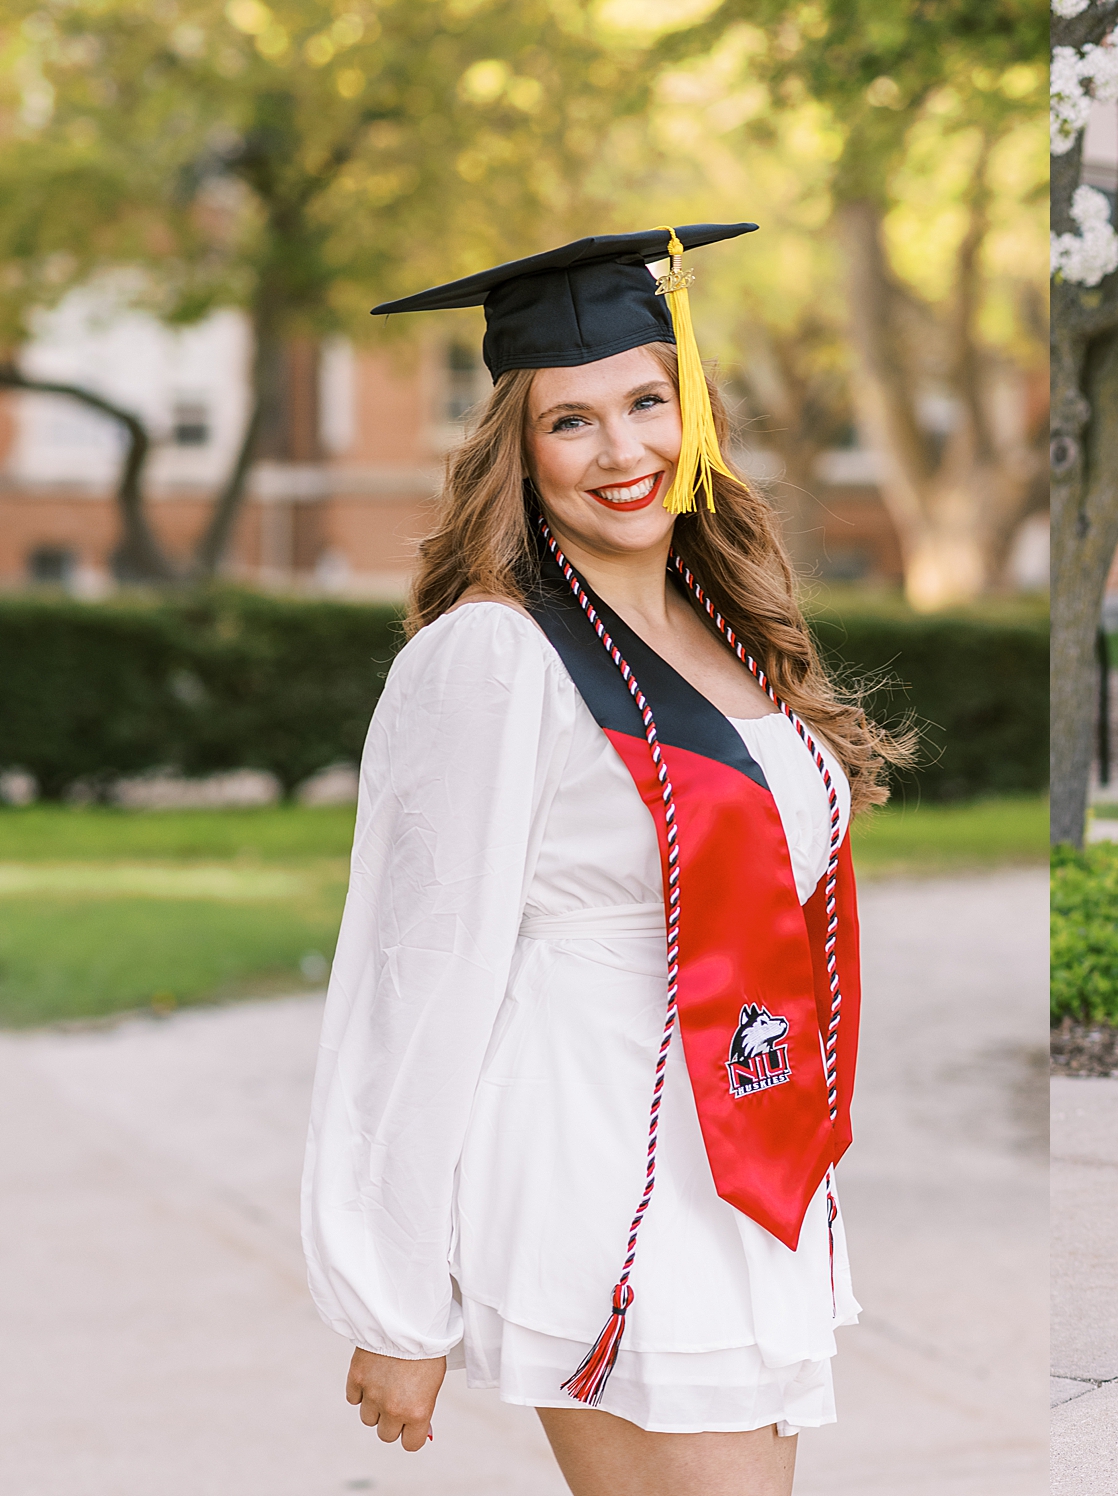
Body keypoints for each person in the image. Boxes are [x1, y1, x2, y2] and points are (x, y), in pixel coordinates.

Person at [302, 223, 906, 1494]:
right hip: (605, 1173)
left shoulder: (722, 624)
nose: (623, 448)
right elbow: (414, 976)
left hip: (740, 1160)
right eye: (570, 421)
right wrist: (392, 1296)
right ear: (517, 451)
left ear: (692, 407)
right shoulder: (495, 656)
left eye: (646, 399)